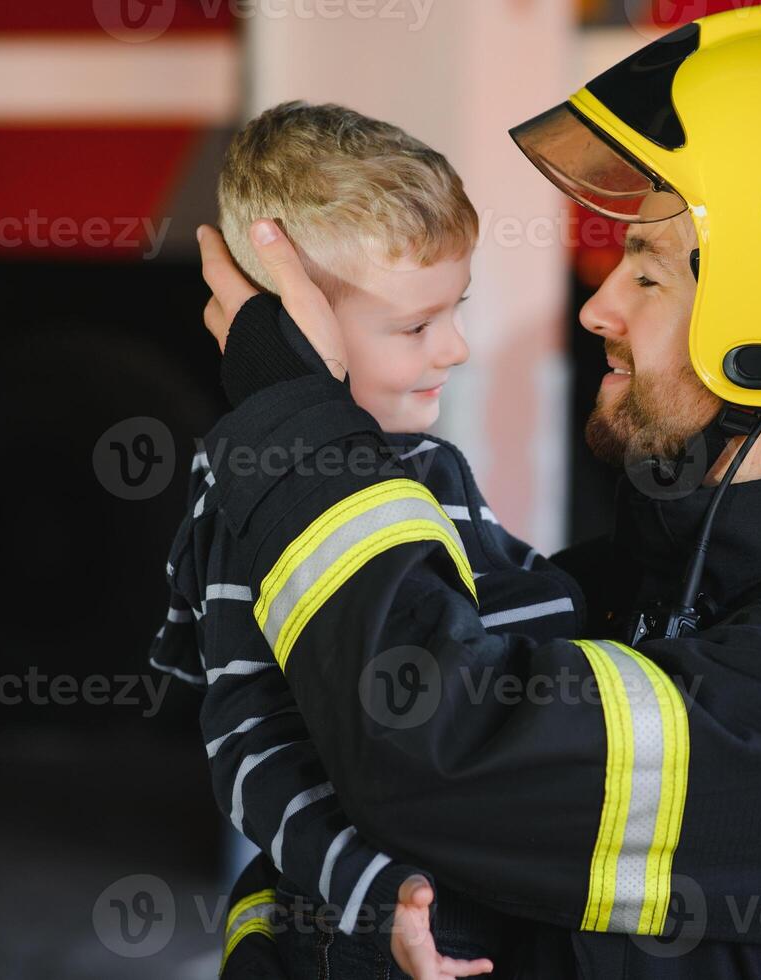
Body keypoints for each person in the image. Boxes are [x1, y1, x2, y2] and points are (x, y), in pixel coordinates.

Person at [189, 5, 761, 978]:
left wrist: (299, 418)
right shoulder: (654, 584)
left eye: (647, 270)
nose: (598, 305)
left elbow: (428, 745)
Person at [150, 101, 587, 979]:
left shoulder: (422, 463)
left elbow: (506, 615)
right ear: (289, 322)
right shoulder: (259, 504)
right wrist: (372, 894)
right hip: (372, 931)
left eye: (453, 310)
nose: (454, 347)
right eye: (413, 327)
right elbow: (249, 743)